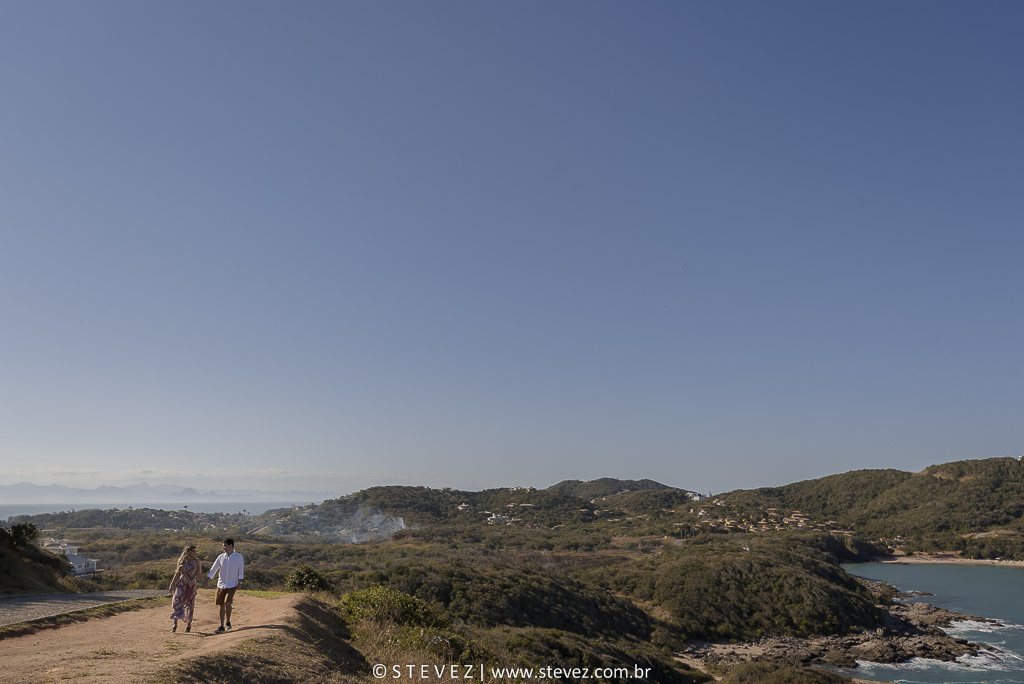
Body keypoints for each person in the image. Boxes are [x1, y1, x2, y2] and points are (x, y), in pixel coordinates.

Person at [207, 537, 244, 633]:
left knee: (227, 603)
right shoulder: (220, 557)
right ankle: (222, 625)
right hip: (221, 584)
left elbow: (241, 571)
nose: (223, 547)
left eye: (224, 546)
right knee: (221, 605)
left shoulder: (239, 557)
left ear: (230, 545)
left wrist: (240, 582)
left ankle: (228, 621)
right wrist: (207, 580)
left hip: (232, 585)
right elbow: (213, 569)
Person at [168, 544, 206, 633]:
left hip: (191, 585)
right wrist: (171, 584)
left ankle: (189, 624)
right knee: (177, 602)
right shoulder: (182, 561)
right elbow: (177, 573)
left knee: (190, 604)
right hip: (181, 584)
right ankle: (175, 624)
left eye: (195, 551)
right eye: (193, 551)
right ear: (188, 552)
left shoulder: (197, 561)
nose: (194, 553)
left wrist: (203, 582)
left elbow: (199, 573)